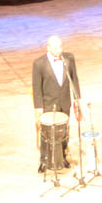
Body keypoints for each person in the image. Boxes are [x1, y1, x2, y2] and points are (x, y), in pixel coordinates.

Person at [31, 35, 81, 174]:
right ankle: (44, 160)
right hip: (48, 103)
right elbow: (36, 87)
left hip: (64, 101)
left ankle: (63, 157)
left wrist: (77, 98)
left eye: (60, 47)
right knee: (46, 134)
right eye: (55, 47)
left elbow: (74, 79)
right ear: (48, 48)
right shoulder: (39, 63)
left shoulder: (69, 59)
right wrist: (38, 107)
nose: (58, 50)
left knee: (64, 131)